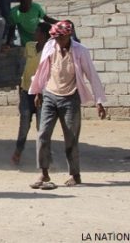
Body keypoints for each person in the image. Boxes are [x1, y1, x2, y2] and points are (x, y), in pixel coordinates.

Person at [28, 20, 107, 189]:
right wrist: (38, 92)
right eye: (55, 38)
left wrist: (99, 101)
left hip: (71, 97)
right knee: (43, 134)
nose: (58, 41)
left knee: (71, 137)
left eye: (61, 38)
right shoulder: (50, 46)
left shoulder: (80, 51)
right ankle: (44, 172)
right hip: (49, 94)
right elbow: (41, 70)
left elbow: (92, 75)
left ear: (69, 35)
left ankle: (75, 175)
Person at [11, 22, 51, 165]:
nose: (35, 33)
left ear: (44, 35)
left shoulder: (50, 50)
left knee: (42, 127)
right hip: (26, 91)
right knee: (24, 125)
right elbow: (25, 65)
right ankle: (18, 152)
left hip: (42, 93)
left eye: (37, 31)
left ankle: (45, 158)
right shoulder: (29, 46)